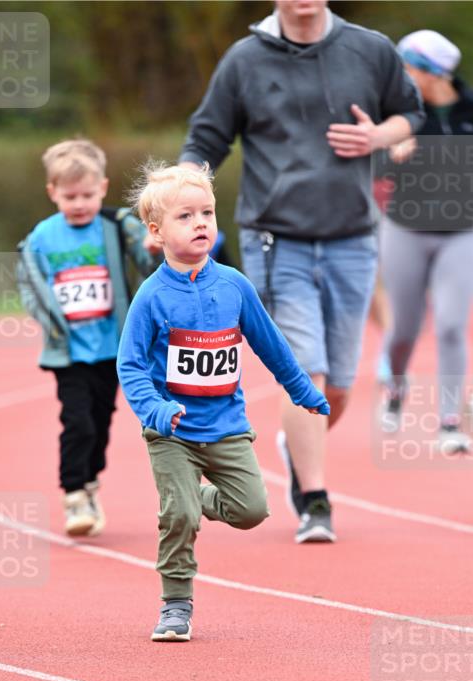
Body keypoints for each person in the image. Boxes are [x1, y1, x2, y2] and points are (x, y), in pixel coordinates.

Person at [179, 0, 424, 542]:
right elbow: (206, 139)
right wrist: (181, 192)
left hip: (352, 237)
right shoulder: (244, 59)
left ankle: (298, 442)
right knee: (304, 371)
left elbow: (411, 113)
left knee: (338, 386)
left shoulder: (369, 49)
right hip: (275, 238)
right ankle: (315, 500)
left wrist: (379, 137)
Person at [118, 163, 329, 642]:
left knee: (252, 510)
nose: (200, 224)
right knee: (179, 516)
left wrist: (303, 391)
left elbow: (272, 346)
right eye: (185, 216)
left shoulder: (234, 285)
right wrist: (155, 410)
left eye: (207, 213)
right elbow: (129, 366)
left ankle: (192, 498)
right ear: (156, 231)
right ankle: (175, 603)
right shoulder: (150, 297)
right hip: (172, 431)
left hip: (227, 426)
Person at [379, 30, 473, 454]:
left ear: (433, 72)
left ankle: (450, 423)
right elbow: (367, 159)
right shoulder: (397, 111)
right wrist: (390, 154)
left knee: (452, 326)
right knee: (404, 329)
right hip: (405, 230)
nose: (402, 75)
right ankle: (396, 390)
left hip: (461, 232)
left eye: (408, 67)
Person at [18, 139, 157, 537]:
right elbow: (29, 284)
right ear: (52, 192)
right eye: (69, 197)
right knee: (77, 421)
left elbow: (150, 262)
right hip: (68, 351)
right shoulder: (42, 237)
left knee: (101, 421)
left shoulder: (117, 226)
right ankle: (75, 493)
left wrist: (153, 248)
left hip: (113, 348)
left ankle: (91, 480)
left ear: (103, 188)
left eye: (87, 195)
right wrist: (49, 320)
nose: (79, 204)